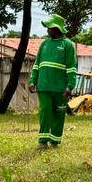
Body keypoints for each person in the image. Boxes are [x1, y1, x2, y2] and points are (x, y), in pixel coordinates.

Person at [28, 14, 79, 148]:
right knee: (45, 110)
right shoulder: (44, 44)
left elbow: (71, 68)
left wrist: (70, 86)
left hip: (60, 88)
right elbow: (37, 64)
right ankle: (43, 141)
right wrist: (32, 81)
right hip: (43, 86)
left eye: (50, 28)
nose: (47, 30)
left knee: (59, 114)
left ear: (57, 28)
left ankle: (55, 141)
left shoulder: (68, 45)